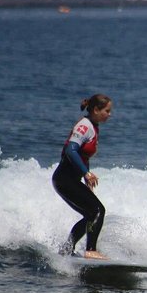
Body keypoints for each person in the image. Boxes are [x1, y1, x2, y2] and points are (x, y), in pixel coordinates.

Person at [52, 94, 112, 260]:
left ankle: (66, 249)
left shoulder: (93, 126)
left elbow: (82, 155)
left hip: (69, 180)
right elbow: (71, 150)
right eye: (107, 111)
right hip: (65, 179)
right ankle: (91, 250)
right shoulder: (85, 126)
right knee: (98, 211)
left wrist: (85, 174)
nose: (110, 114)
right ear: (96, 110)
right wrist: (86, 173)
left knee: (90, 214)